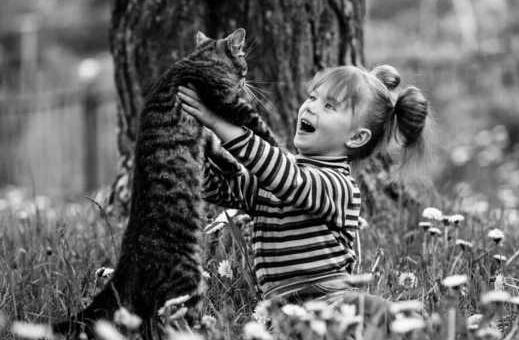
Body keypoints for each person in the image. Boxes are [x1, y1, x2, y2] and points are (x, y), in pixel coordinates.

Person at [177, 64, 433, 324]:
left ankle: (410, 324)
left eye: (329, 106)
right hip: (282, 310)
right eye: (312, 97)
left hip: (331, 300)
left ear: (356, 138)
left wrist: (221, 125)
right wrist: (192, 148)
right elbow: (221, 187)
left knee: (368, 313)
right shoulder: (275, 178)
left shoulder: (337, 186)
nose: (310, 106)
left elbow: (290, 181)